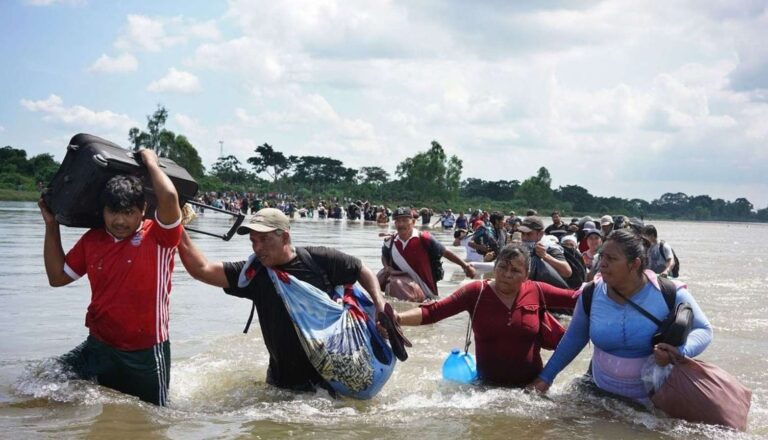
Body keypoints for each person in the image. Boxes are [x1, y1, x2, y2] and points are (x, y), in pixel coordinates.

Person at [177, 208, 390, 394]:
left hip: (330, 380)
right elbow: (202, 270)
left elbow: (361, 269)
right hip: (281, 383)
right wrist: (174, 224)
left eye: (265, 239)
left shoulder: (318, 261)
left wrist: (381, 307)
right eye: (253, 241)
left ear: (285, 237)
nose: (257, 248)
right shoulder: (254, 274)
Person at [38, 149, 182, 406]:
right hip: (99, 347)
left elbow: (170, 196)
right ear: (102, 210)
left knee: (155, 420)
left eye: (128, 212)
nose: (119, 221)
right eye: (112, 212)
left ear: (143, 209)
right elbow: (57, 277)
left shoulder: (159, 237)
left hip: (146, 354)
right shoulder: (92, 239)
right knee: (39, 382)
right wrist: (52, 226)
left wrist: (150, 162)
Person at [530, 230, 712, 404]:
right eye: (602, 256)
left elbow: (704, 330)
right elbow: (574, 338)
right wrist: (545, 378)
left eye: (611, 259)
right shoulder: (591, 293)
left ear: (635, 264)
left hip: (654, 399)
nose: (602, 264)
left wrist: (680, 352)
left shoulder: (669, 293)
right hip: (598, 393)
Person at [396, 245, 577, 387]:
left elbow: (577, 299)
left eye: (515, 270)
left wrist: (601, 282)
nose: (507, 274)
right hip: (485, 390)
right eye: (502, 267)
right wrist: (397, 318)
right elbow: (433, 312)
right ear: (494, 267)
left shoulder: (537, 290)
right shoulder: (476, 292)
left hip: (531, 389)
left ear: (526, 275)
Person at [379, 207, 476, 302]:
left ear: (413, 222)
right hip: (402, 292)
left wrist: (465, 265)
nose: (401, 224)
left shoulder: (424, 238)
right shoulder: (390, 242)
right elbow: (384, 256)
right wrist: (386, 266)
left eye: (404, 220)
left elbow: (445, 252)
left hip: (428, 294)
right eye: (397, 221)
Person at [518, 216, 573, 283]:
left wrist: (545, 256)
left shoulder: (549, 248)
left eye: (529, 234)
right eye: (522, 233)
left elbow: (567, 272)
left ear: (540, 234)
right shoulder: (522, 247)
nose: (524, 238)